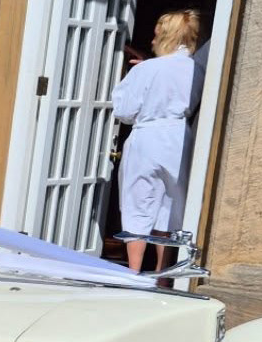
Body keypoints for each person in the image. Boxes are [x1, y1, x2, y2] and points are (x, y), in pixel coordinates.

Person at [111, 10, 202, 272]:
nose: (153, 38)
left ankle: (134, 271)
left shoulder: (147, 69)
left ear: (165, 35)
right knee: (170, 207)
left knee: (137, 204)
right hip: (178, 137)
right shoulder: (197, 68)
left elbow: (125, 111)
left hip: (148, 136)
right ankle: (164, 274)